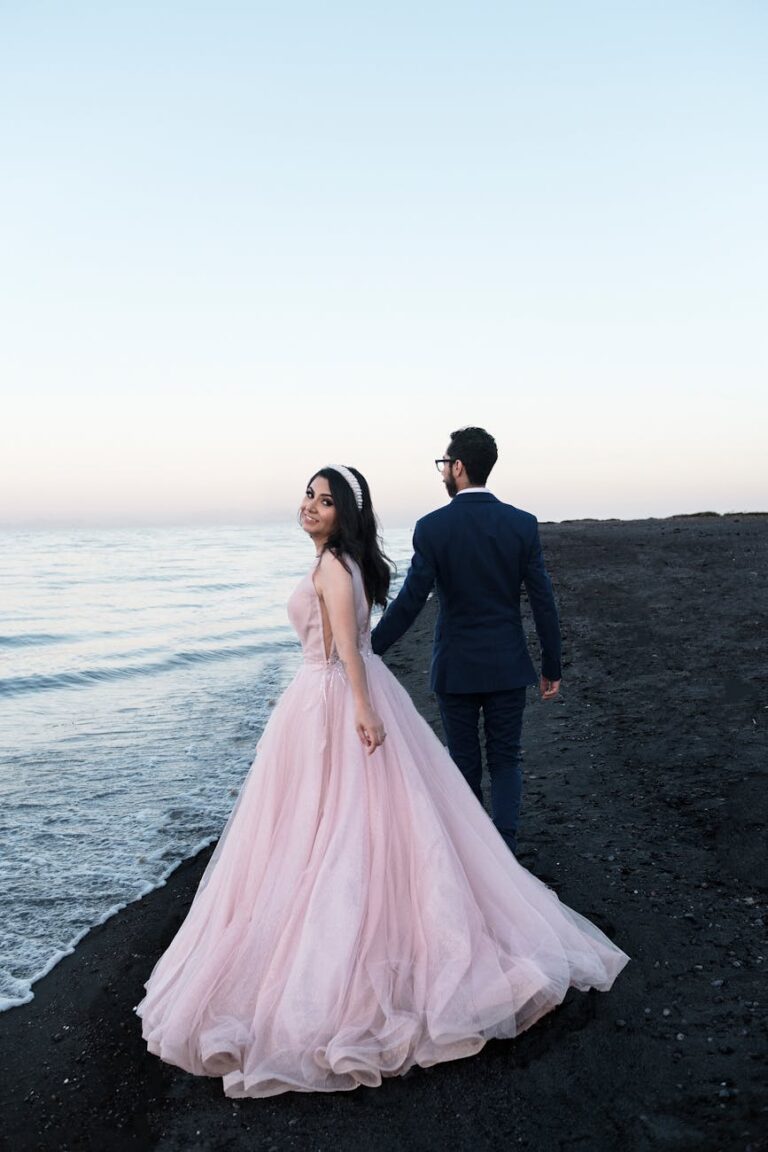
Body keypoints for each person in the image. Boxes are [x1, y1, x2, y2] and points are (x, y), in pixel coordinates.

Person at [136, 464, 627, 1098]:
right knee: (341, 818)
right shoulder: (342, 562)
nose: (311, 506)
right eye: (308, 496)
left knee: (343, 820)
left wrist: (363, 711)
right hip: (330, 695)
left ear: (346, 513)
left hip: (334, 700)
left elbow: (345, 649)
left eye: (325, 500)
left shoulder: (337, 567)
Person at [372, 427, 560, 855]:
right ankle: (506, 850)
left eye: (444, 464)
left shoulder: (433, 527)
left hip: (456, 667)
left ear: (458, 467)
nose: (443, 473)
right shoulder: (521, 525)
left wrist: (369, 647)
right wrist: (552, 665)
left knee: (464, 762)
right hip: (508, 664)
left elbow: (411, 601)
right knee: (506, 759)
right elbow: (543, 600)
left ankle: (476, 855)